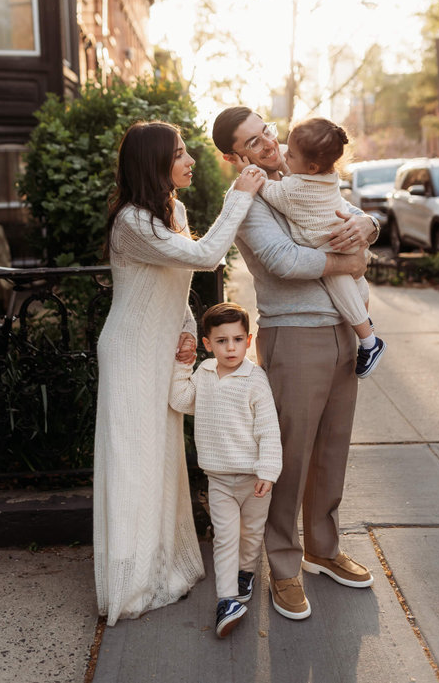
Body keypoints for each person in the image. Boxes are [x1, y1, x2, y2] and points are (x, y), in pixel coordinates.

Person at [93, 120, 264, 626]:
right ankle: (130, 580)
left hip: (162, 349)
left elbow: (175, 278)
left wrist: (188, 328)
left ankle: (164, 563)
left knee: (164, 459)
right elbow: (208, 255)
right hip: (129, 355)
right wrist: (239, 193)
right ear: (153, 164)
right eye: (180, 154)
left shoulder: (174, 210)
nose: (190, 161)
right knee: (133, 464)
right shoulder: (131, 222)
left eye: (188, 151)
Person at [212, 107, 379, 622]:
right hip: (295, 334)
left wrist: (366, 230)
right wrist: (348, 261)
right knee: (288, 457)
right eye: (251, 141)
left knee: (332, 447)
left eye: (266, 131)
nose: (267, 144)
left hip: (341, 332)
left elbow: (356, 215)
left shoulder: (306, 176)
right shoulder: (246, 198)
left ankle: (322, 548)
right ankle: (283, 565)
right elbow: (284, 261)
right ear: (232, 156)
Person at [169, 301, 282, 638]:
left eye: (237, 340)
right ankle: (226, 599)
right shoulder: (203, 375)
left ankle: (246, 571)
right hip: (218, 479)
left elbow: (268, 429)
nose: (230, 348)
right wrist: (181, 367)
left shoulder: (255, 378)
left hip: (254, 480)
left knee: (251, 533)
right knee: (225, 537)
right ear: (208, 343)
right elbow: (179, 400)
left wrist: (268, 472)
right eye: (221, 341)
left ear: (249, 341)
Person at [251, 115, 386, 379]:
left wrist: (250, 172)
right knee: (355, 284)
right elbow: (296, 169)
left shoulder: (293, 191)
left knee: (340, 284)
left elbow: (268, 189)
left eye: (290, 153)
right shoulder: (326, 175)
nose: (283, 153)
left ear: (311, 166)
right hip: (341, 238)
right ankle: (364, 321)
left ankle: (369, 341)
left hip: (332, 243)